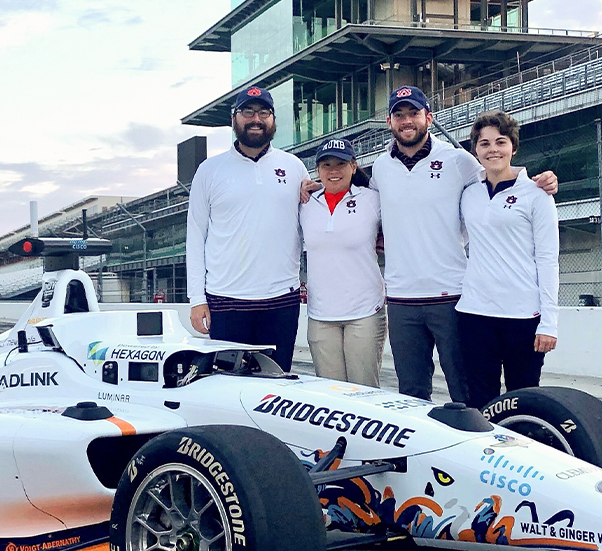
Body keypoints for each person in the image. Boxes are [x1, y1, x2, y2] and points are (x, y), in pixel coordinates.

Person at [323, 86, 557, 403]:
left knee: (465, 392)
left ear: (428, 118)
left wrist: (538, 181)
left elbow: (498, 174)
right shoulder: (380, 167)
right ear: (390, 122)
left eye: (414, 113)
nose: (407, 121)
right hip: (402, 298)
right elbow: (365, 204)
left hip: (452, 296)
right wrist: (313, 187)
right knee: (412, 395)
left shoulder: (457, 160)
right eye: (399, 115)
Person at [185, 86, 310, 371]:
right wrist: (196, 299)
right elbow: (195, 237)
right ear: (234, 119)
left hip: (281, 300)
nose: (256, 119)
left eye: (263, 112)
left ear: (273, 119)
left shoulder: (293, 167)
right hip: (226, 300)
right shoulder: (209, 170)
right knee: (228, 387)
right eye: (248, 112)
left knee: (277, 388)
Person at [457, 110, 559, 410]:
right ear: (475, 150)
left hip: (522, 317)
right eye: (484, 143)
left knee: (523, 400)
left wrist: (549, 323)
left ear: (513, 147)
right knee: (478, 401)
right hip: (474, 314)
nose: (493, 150)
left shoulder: (537, 194)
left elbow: (548, 258)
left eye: (500, 142)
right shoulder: (469, 193)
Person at [299, 138, 387, 386]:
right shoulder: (305, 204)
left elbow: (402, 222)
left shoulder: (372, 199)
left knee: (365, 392)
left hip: (365, 312)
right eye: (326, 165)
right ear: (317, 170)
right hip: (321, 314)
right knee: (331, 394)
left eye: (341, 163)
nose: (334, 170)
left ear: (354, 166)